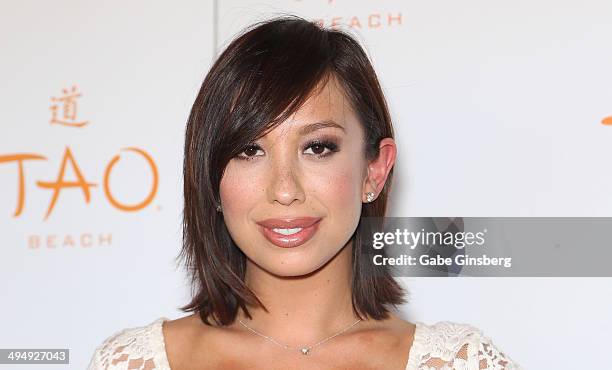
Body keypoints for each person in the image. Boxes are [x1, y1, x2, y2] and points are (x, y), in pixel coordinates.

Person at [87, 15, 522, 370]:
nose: (284, 190)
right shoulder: (134, 362)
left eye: (318, 147)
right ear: (211, 178)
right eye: (248, 150)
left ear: (375, 170)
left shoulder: (457, 362)